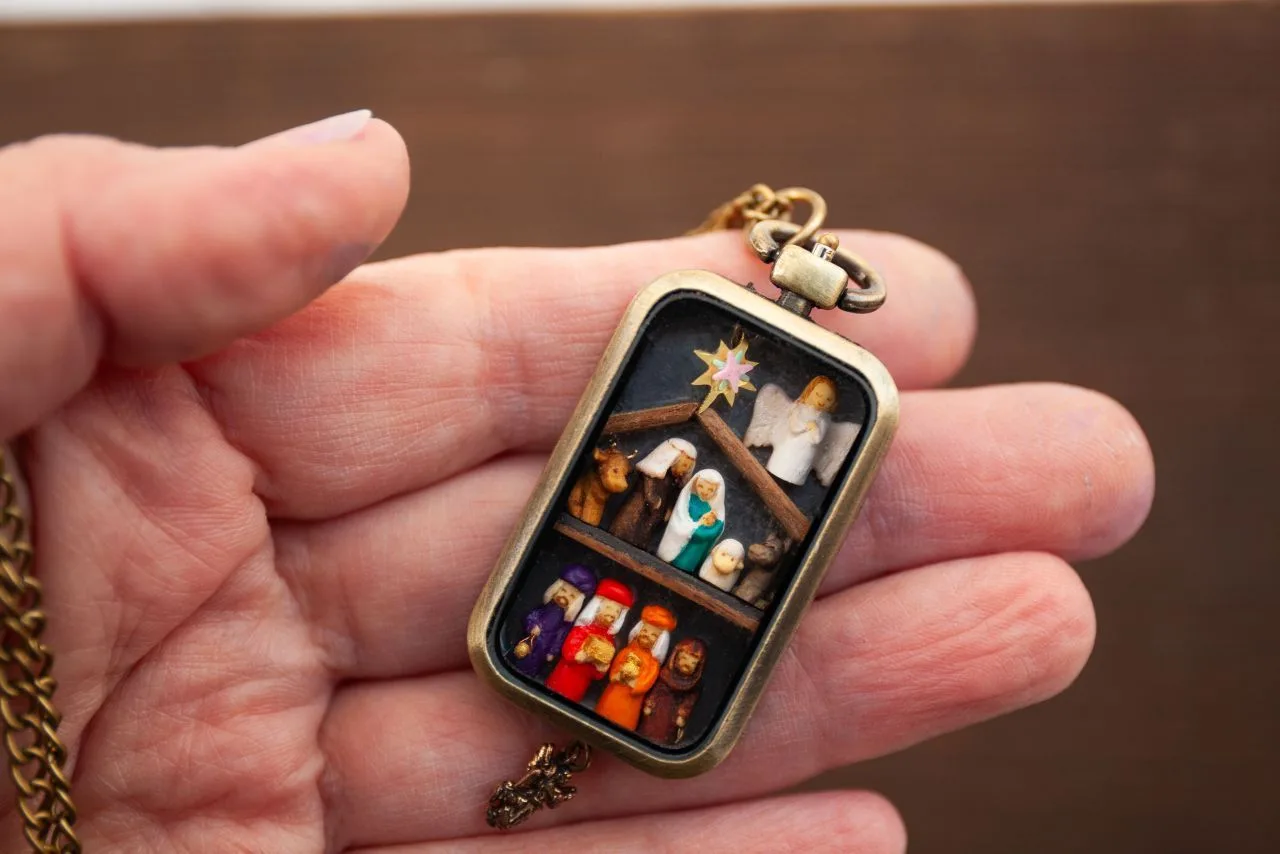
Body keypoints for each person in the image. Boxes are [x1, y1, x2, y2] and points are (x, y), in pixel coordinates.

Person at [0, 112, 1153, 850]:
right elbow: (653, 500)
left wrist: (702, 549)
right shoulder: (660, 466)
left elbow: (718, 538)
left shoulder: (768, 465)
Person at [595, 604, 676, 731]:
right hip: (614, 692)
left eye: (654, 635)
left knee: (622, 724)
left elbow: (646, 683)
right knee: (602, 716)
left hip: (630, 701)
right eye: (645, 630)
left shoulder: (653, 664)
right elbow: (615, 668)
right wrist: (618, 675)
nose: (647, 635)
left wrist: (633, 682)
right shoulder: (627, 651)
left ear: (660, 642)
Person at [656, 469, 727, 571]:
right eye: (701, 486)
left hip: (693, 549)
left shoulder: (711, 510)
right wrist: (696, 526)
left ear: (717, 491)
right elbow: (678, 520)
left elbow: (712, 531)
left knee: (684, 566)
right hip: (676, 542)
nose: (704, 492)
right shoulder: (688, 500)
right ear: (695, 483)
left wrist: (699, 530)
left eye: (710, 489)